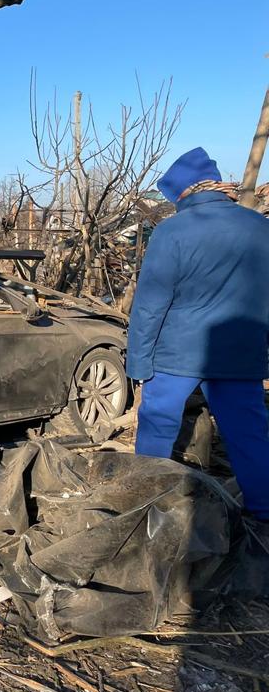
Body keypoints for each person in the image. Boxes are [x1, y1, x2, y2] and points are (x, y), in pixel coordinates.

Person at [127, 147, 269, 520]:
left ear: (184, 192)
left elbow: (151, 304)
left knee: (158, 428)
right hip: (239, 352)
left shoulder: (171, 232)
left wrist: (138, 362)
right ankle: (264, 511)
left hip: (177, 354)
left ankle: (147, 506)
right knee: (248, 435)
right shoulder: (261, 228)